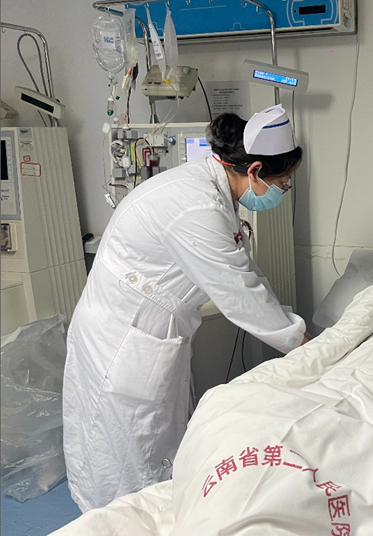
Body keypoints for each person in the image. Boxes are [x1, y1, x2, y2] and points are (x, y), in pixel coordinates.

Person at [63, 105, 312, 512]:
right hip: (123, 339)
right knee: (128, 452)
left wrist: (300, 335)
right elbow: (241, 295)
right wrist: (309, 346)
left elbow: (246, 275)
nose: (282, 191)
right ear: (253, 171)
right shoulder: (196, 207)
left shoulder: (209, 190)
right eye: (282, 183)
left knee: (158, 440)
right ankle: (117, 522)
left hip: (150, 332)